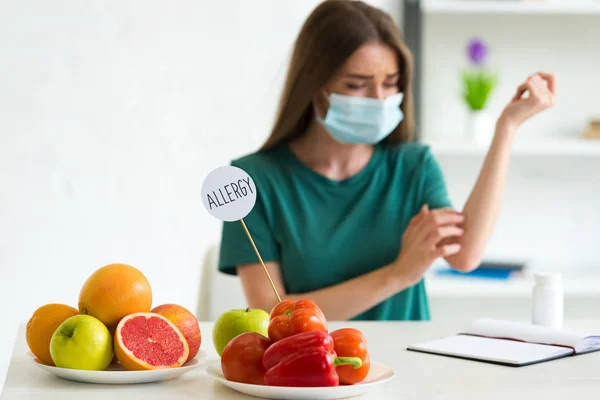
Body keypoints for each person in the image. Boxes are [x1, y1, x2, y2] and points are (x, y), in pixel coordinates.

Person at [217, 0, 556, 321]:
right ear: (313, 86)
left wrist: (507, 128)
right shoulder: (249, 180)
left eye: (390, 83)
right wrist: (397, 275)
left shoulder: (413, 165)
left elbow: (465, 256)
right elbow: (272, 313)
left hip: (408, 366)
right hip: (308, 378)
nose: (379, 100)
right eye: (356, 85)